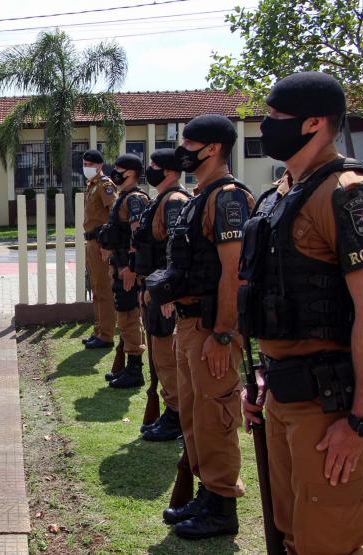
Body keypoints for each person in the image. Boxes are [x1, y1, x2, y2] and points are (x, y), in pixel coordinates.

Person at [239, 71, 363, 555]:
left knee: (328, 544)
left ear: (314, 123)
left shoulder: (350, 194)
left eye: (274, 117)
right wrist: (268, 377)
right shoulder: (280, 196)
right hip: (283, 395)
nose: (265, 126)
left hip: (330, 408)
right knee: (293, 536)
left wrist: (362, 422)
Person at [146, 114, 254, 539]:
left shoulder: (227, 198)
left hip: (213, 328)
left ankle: (222, 505)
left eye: (188, 143)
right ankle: (208, 493)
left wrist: (223, 333)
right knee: (193, 416)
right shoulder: (198, 196)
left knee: (214, 417)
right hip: (190, 324)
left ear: (212, 148)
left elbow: (234, 273)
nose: (181, 151)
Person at [131, 148, 190, 441]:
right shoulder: (161, 200)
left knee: (167, 356)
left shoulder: (175, 201)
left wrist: (168, 292)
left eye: (154, 165)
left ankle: (177, 414)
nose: (149, 169)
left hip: (164, 292)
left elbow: (176, 251)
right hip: (153, 288)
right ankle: (171, 410)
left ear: (168, 171)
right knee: (160, 355)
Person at [98, 153, 148, 386]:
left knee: (129, 317)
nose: (115, 172)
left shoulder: (135, 198)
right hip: (119, 266)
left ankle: (135, 370)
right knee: (124, 316)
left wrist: (131, 266)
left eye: (119, 169)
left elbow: (138, 234)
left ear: (132, 173)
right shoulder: (123, 197)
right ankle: (128, 365)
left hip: (128, 269)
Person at [80, 149, 118, 349]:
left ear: (99, 165)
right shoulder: (92, 185)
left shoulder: (105, 185)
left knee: (103, 289)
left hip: (100, 243)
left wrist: (107, 244)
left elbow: (113, 213)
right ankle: (99, 330)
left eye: (90, 164)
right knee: (96, 288)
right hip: (91, 242)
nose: (86, 168)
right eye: (84, 164)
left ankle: (106, 334)